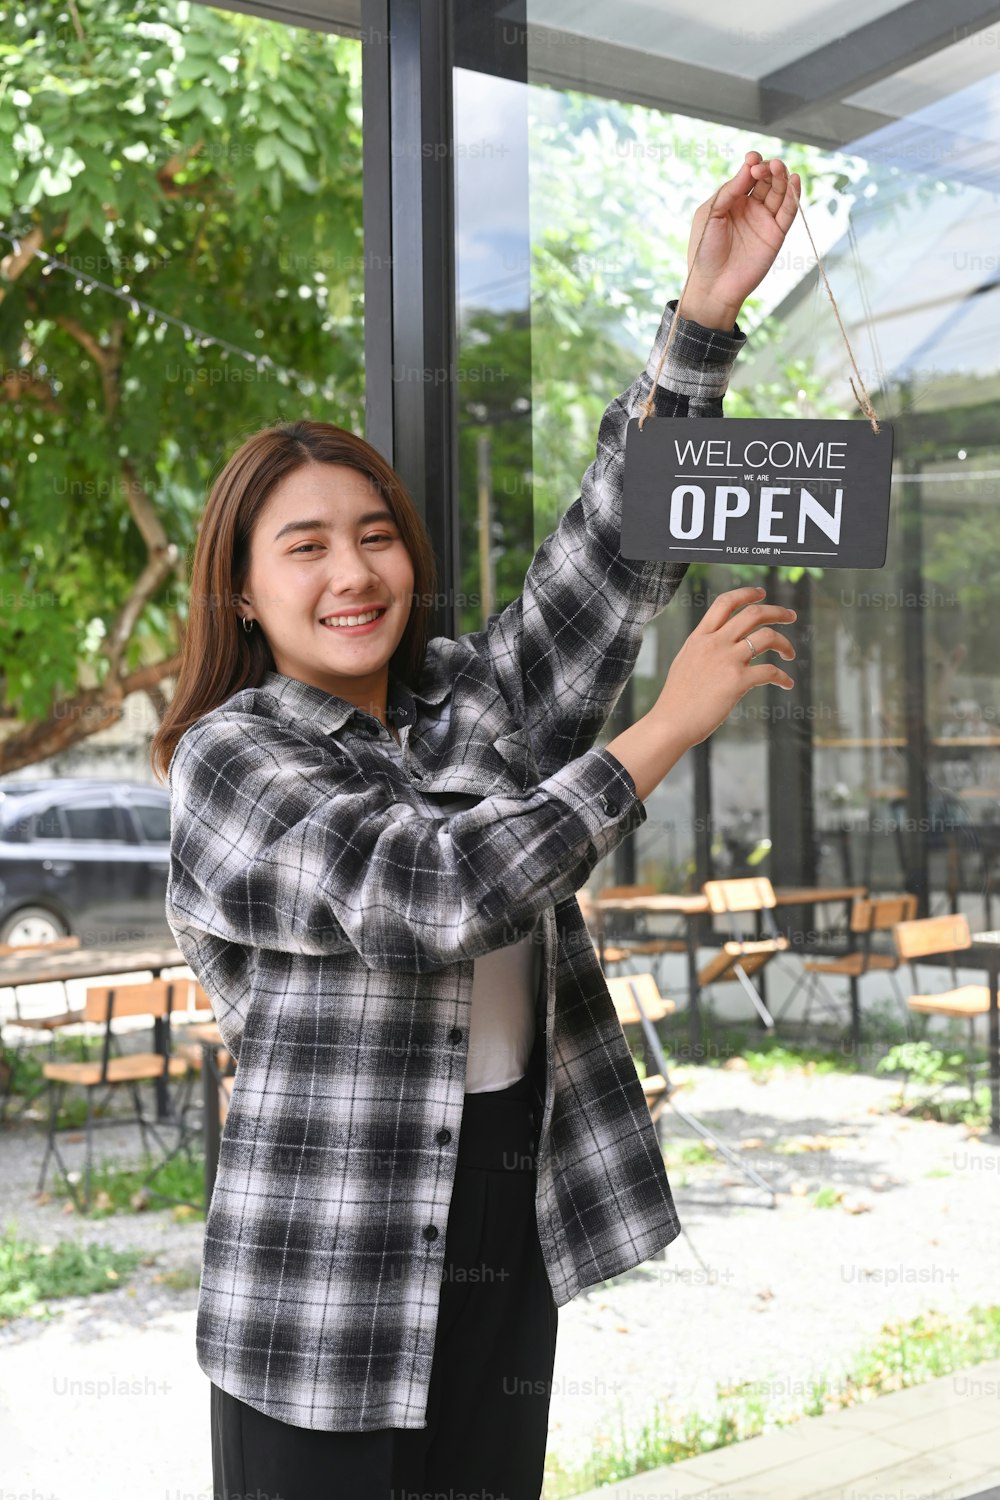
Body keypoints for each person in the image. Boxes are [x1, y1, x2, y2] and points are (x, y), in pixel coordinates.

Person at [152, 152, 800, 1500]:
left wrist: (702, 320)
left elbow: (611, 560)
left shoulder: (466, 701)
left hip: (506, 1183)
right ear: (245, 593)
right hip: (326, 1263)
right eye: (306, 547)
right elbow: (430, 892)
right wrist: (663, 727)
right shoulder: (230, 761)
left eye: (375, 534)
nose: (353, 571)